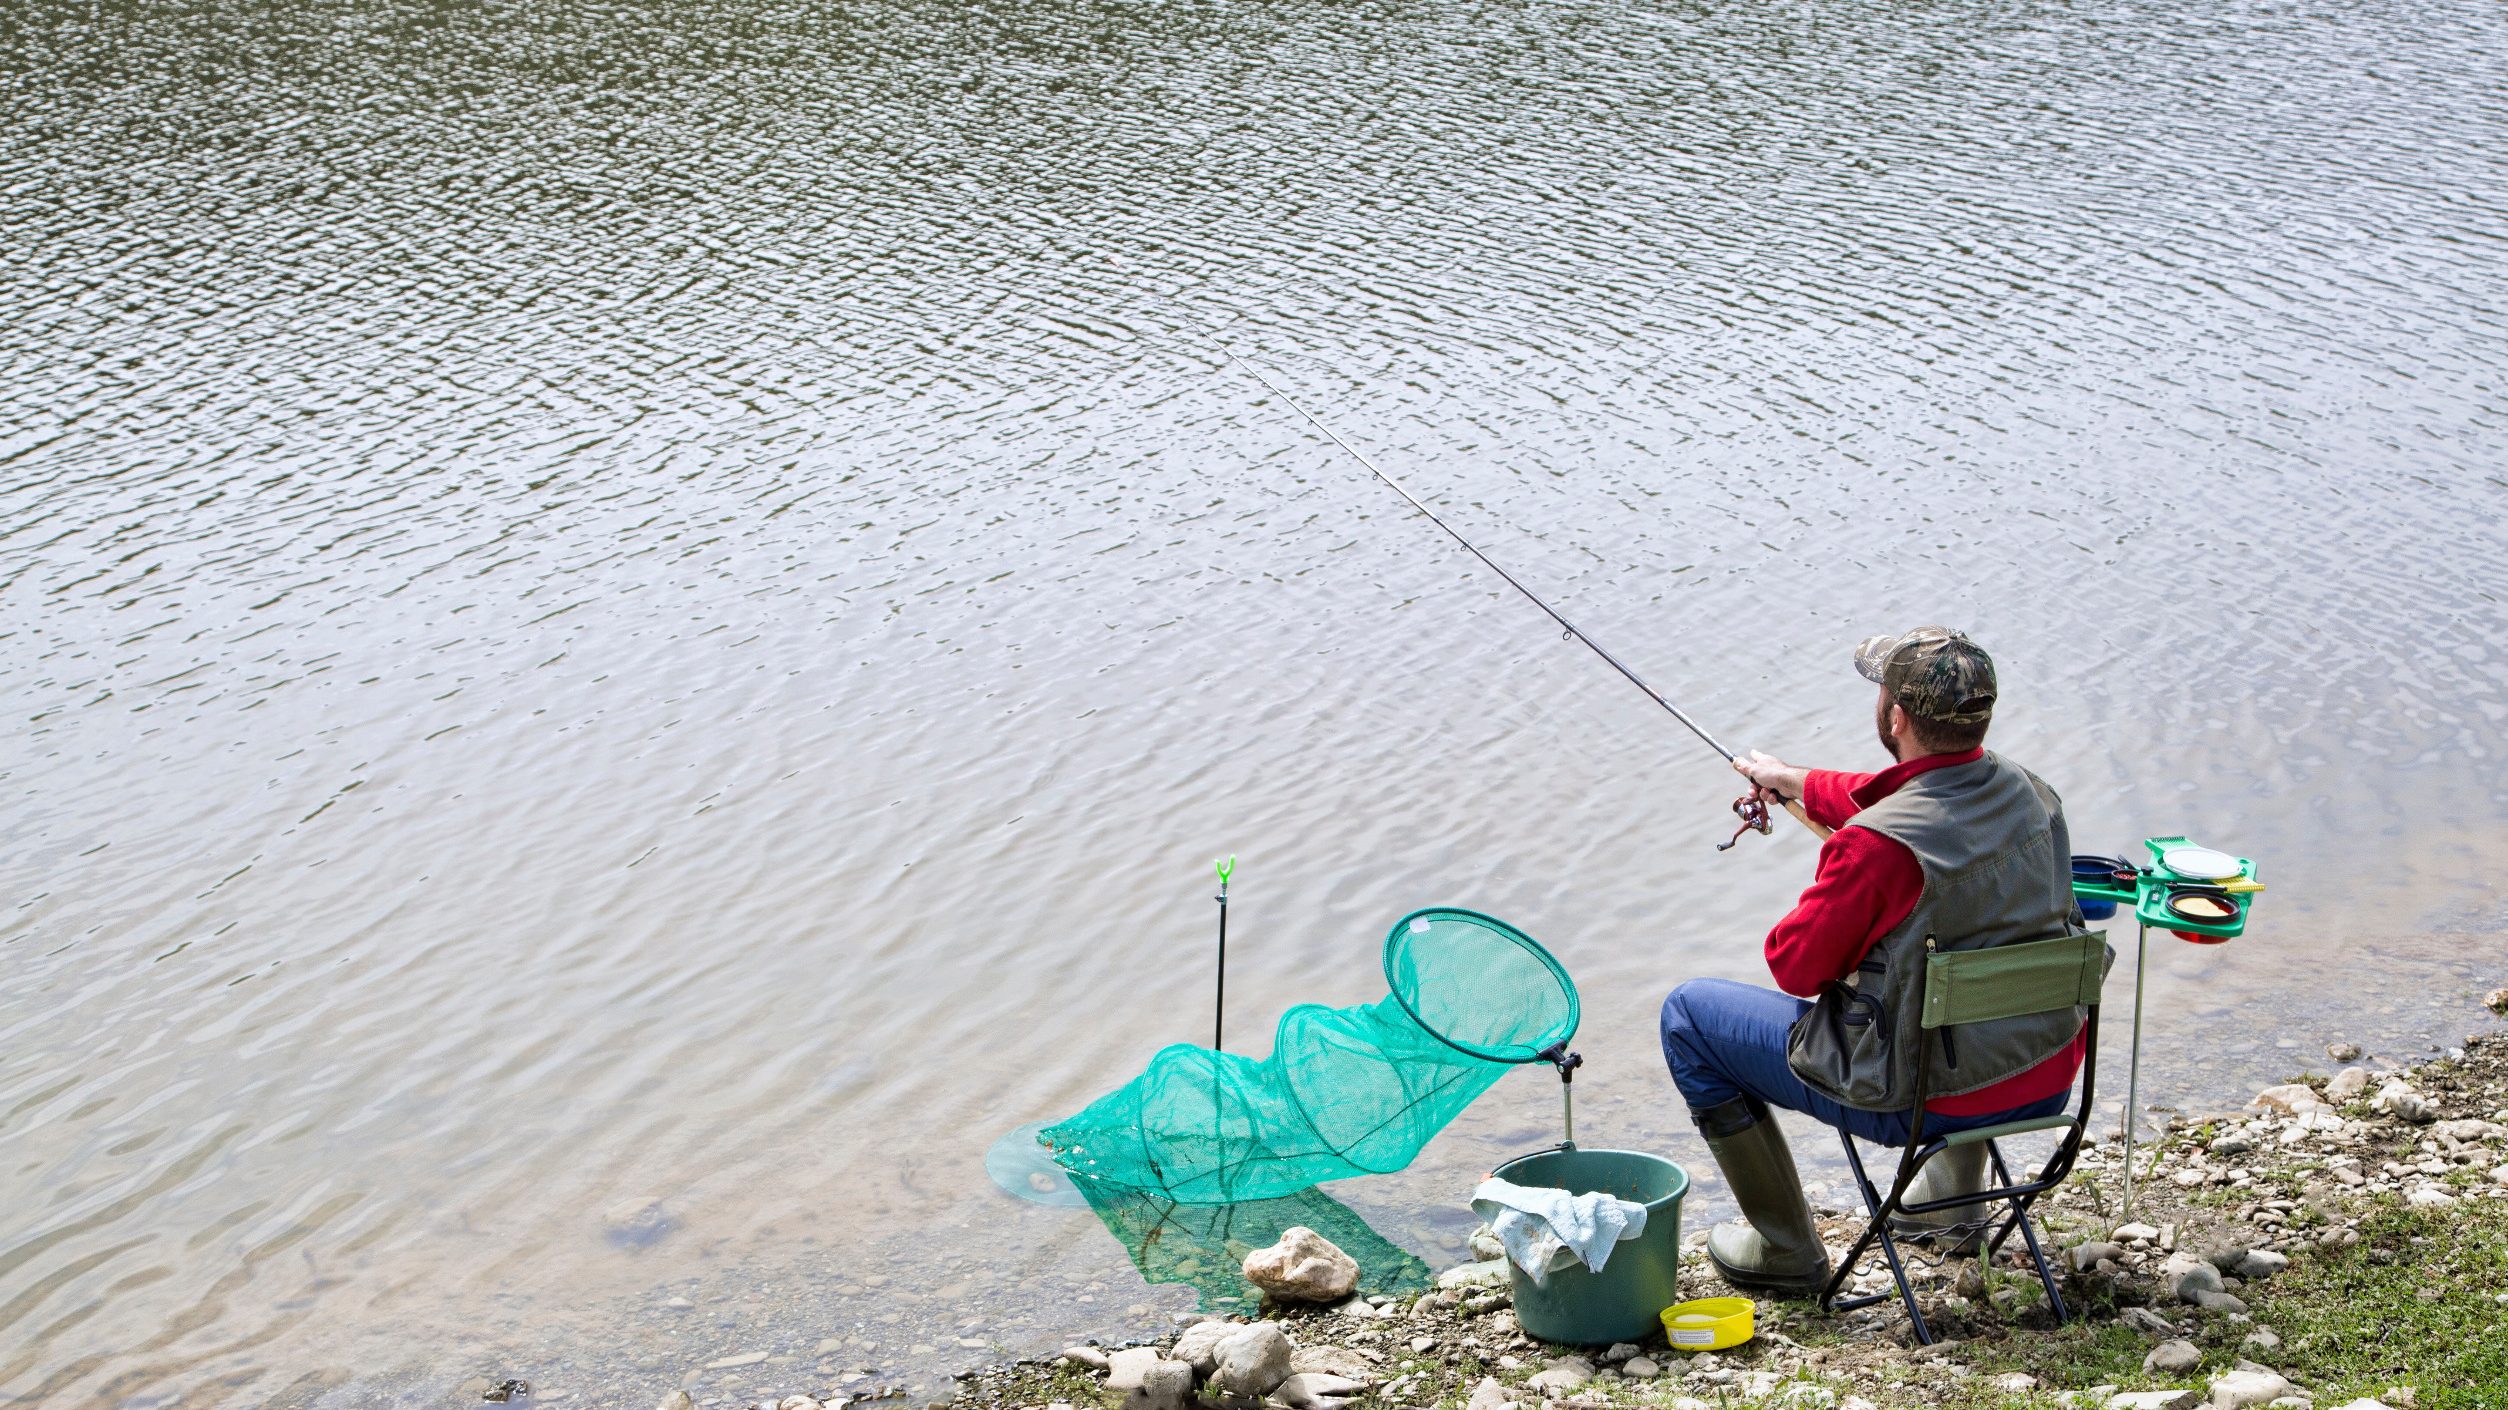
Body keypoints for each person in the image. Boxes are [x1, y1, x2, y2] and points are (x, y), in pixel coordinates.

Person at [1659, 626, 2093, 1295]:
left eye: (1882, 691)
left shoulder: (1873, 848)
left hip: (1923, 1098)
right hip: (2044, 1072)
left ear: (1894, 715)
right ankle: (1951, 1212)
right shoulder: (2032, 794)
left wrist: (1843, 870)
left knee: (1689, 1018)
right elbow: (1912, 794)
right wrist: (1794, 782)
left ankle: (1787, 1254)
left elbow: (1795, 967)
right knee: (1964, 979)